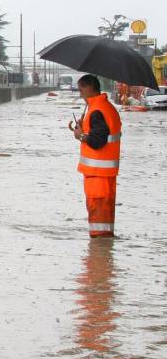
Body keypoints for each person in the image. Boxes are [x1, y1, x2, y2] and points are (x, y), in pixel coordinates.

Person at [68, 74, 121, 237]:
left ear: (90, 88)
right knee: (104, 224)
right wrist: (81, 128)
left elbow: (98, 141)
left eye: (81, 89)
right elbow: (103, 133)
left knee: (99, 225)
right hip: (104, 174)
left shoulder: (97, 110)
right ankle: (103, 252)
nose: (80, 94)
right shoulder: (105, 107)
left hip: (98, 174)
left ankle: (99, 254)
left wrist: (81, 136)